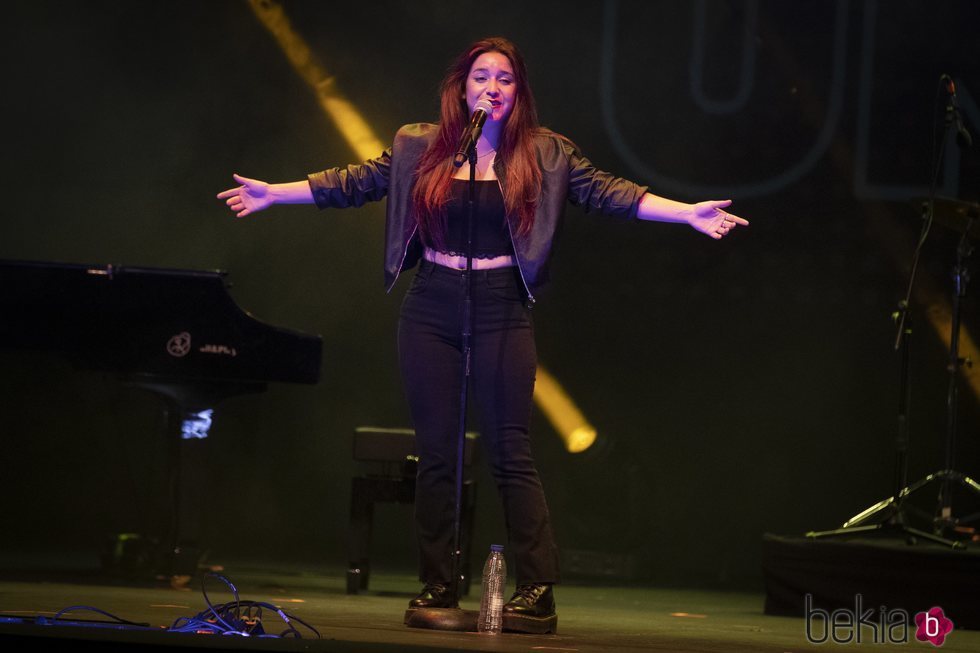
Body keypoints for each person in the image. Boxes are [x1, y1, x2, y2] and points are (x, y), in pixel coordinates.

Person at [217, 36, 747, 634]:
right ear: (461, 88)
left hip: (501, 305)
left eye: (504, 79)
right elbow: (356, 182)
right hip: (432, 304)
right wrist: (275, 194)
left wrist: (687, 212)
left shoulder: (547, 154)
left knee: (510, 451)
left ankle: (537, 589)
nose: (491, 87)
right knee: (438, 454)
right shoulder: (420, 146)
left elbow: (611, 194)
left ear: (518, 93)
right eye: (481, 77)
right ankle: (438, 584)